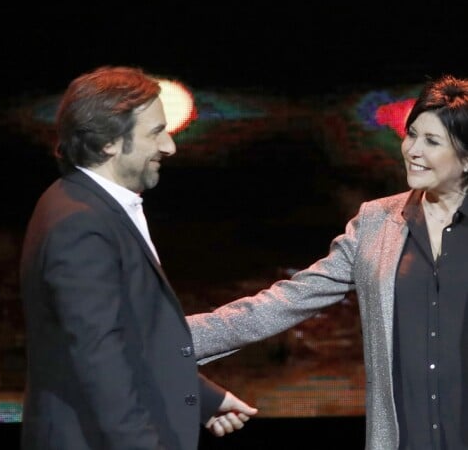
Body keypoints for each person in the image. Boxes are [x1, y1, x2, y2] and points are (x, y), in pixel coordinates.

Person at [188, 74, 468, 450]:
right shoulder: (376, 221)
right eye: (411, 134)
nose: (412, 150)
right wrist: (169, 342)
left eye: (431, 141)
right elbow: (282, 302)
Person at [19, 65, 257, 450]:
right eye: (155, 133)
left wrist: (202, 398)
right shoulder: (80, 224)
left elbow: (130, 338)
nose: (169, 147)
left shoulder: (86, 206)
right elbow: (100, 361)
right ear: (109, 141)